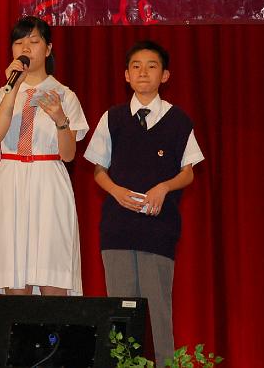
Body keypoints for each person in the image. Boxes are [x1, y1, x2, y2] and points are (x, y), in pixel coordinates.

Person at [83, 40, 204, 365]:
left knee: (158, 311)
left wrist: (164, 187)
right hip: (118, 229)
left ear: (165, 75)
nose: (143, 72)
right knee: (120, 312)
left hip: (158, 229)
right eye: (136, 66)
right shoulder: (113, 117)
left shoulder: (178, 120)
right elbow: (98, 170)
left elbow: (189, 172)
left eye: (152, 66)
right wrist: (116, 191)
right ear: (126, 75)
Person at [0, 15, 88, 296]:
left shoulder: (64, 95)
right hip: (11, 181)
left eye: (34, 41)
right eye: (19, 43)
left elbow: (68, 155)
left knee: (52, 275)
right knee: (16, 281)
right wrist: (14, 87)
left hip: (49, 180)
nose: (26, 48)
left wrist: (60, 119)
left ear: (48, 48)